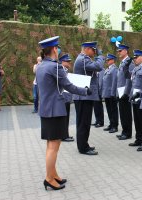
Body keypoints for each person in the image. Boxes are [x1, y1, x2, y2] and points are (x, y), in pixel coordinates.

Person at [36, 36, 91, 190]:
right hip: (55, 110)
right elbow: (69, 86)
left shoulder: (41, 65)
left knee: (51, 144)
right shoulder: (55, 67)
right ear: (54, 49)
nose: (58, 49)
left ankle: (53, 175)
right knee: (53, 146)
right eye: (57, 47)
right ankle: (49, 178)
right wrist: (85, 91)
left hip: (46, 109)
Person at [73, 41, 104, 156]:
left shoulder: (84, 58)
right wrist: (100, 56)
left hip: (85, 96)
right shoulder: (83, 59)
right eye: (93, 49)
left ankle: (84, 144)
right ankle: (83, 148)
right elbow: (98, 67)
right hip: (83, 97)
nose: (95, 52)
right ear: (86, 49)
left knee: (84, 122)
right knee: (83, 123)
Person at [116, 44, 135, 140]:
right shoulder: (122, 62)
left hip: (125, 92)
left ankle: (127, 133)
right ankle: (124, 131)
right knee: (122, 113)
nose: (118, 52)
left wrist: (126, 92)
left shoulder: (129, 62)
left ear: (125, 51)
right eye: (118, 51)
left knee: (126, 113)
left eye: (120, 51)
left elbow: (129, 78)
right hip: (120, 91)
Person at [59, 54, 75, 142]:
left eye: (69, 61)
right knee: (64, 118)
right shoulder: (62, 71)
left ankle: (65, 134)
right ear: (62, 62)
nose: (69, 63)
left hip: (66, 97)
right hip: (63, 97)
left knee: (66, 117)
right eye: (67, 61)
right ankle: (63, 136)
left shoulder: (65, 70)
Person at [102, 54, 119, 133]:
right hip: (107, 93)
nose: (107, 61)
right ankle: (111, 124)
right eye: (107, 60)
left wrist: (113, 93)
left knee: (113, 110)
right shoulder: (107, 69)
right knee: (109, 110)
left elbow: (114, 82)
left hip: (111, 93)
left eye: (108, 60)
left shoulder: (114, 69)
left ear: (113, 60)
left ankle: (115, 126)